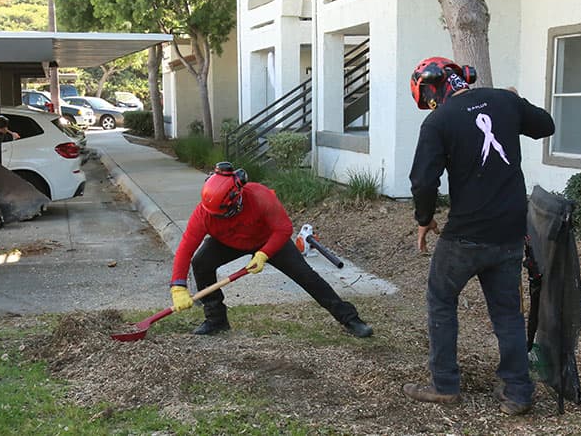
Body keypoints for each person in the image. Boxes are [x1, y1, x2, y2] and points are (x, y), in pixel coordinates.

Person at [401, 57, 555, 415]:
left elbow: (423, 181)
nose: (430, 105)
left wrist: (424, 218)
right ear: (460, 77)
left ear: (431, 89)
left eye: (427, 98)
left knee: (441, 299)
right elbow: (544, 125)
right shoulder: (504, 101)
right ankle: (518, 392)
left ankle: (444, 385)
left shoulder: (438, 122)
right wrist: (515, 101)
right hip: (510, 233)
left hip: (464, 237)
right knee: (507, 314)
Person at [168, 161, 374, 338]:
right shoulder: (205, 213)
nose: (216, 217)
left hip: (268, 241)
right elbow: (186, 247)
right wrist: (178, 287)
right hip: (229, 242)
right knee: (201, 263)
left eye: (222, 214)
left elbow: (284, 229)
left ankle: (350, 319)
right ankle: (216, 320)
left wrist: (264, 253)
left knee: (306, 276)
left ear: (236, 199)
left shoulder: (260, 196)